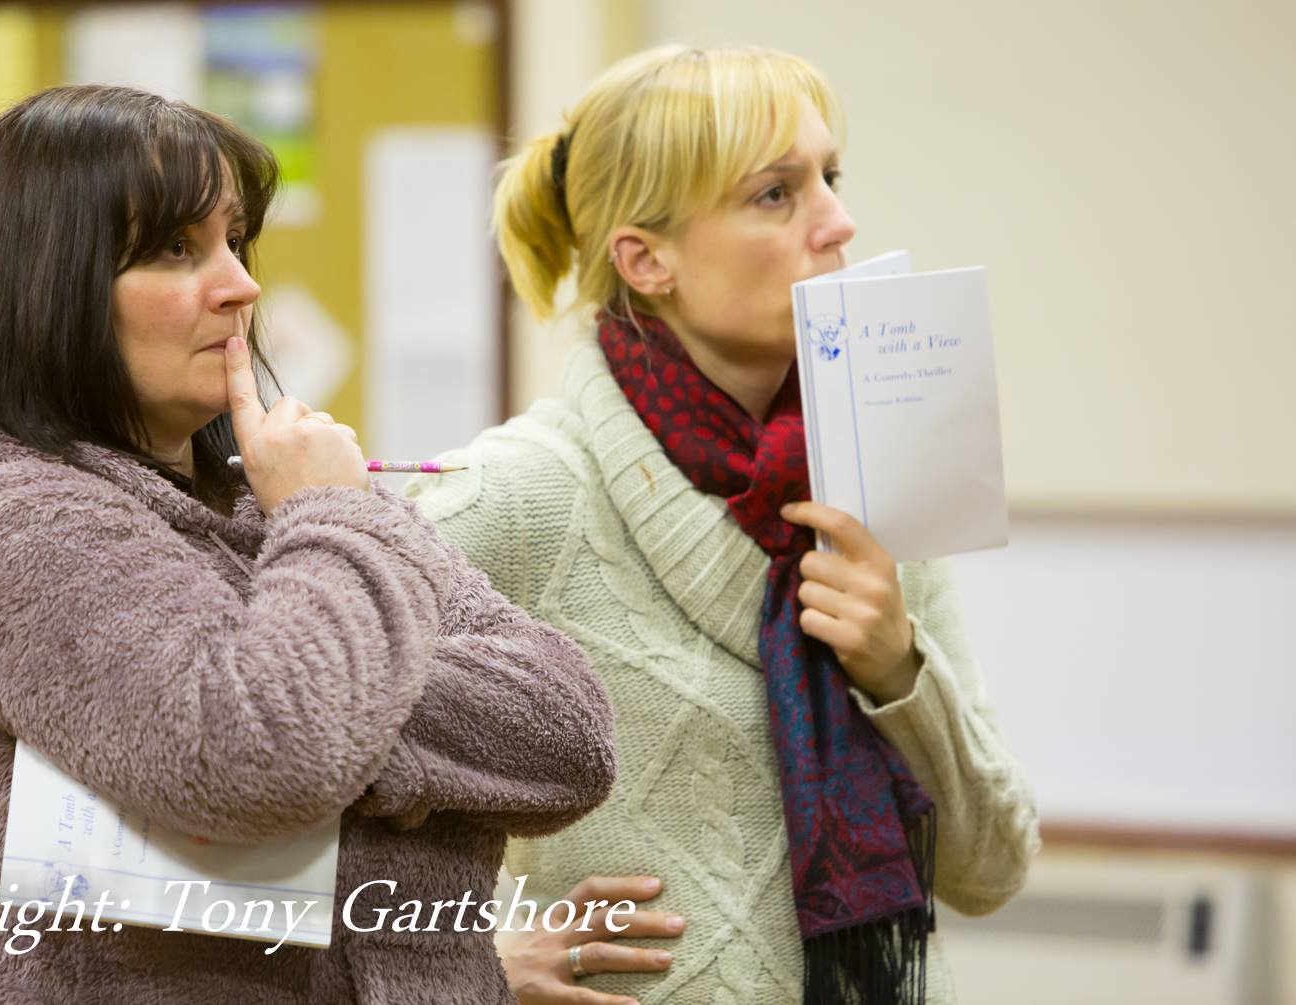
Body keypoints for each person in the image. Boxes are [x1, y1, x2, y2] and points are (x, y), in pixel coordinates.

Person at [0, 84, 616, 1003]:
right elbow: (261, 756)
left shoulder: (291, 501)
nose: (241, 284)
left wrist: (329, 689)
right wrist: (334, 544)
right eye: (175, 247)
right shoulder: (2, 522)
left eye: (235, 239)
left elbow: (568, 733)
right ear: (47, 284)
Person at [406, 45, 1039, 1004]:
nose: (838, 221)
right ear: (645, 260)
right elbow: (247, 828)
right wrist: (469, 963)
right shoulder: (511, 496)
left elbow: (992, 870)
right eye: (775, 194)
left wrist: (896, 668)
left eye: (829, 178)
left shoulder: (873, 471)